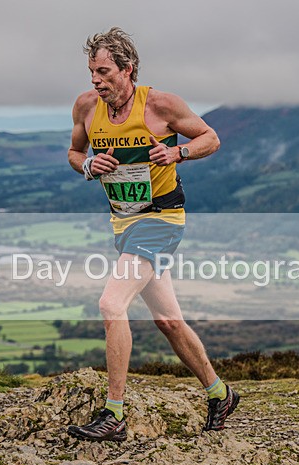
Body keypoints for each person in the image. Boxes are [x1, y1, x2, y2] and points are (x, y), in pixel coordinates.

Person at [65, 27, 238, 441]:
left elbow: (211, 138)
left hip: (162, 220)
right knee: (169, 322)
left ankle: (115, 414)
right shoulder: (87, 107)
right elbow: (74, 153)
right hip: (124, 223)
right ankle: (219, 392)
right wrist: (88, 166)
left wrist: (178, 151)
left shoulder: (160, 105)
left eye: (104, 71)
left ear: (129, 69)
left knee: (111, 304)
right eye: (92, 71)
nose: (95, 80)